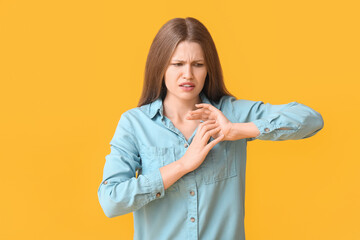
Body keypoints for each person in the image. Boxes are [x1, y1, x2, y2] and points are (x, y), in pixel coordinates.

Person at [97, 17, 324, 240]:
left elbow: (311, 120)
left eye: (198, 64)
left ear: (208, 69)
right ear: (160, 67)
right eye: (177, 64)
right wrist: (182, 165)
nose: (188, 74)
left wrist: (238, 130)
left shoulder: (231, 114)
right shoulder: (135, 124)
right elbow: (111, 200)